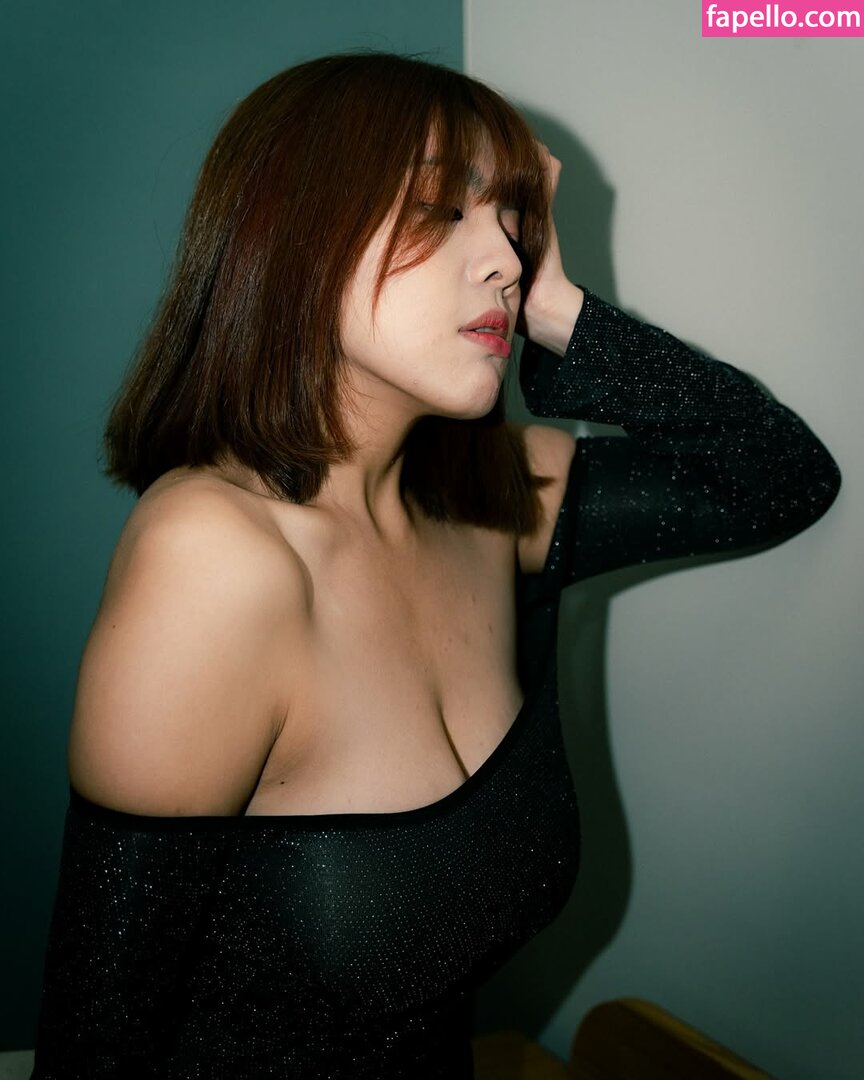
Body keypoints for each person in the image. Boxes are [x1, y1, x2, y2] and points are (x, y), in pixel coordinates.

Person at [30, 51, 840, 1079]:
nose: (504, 255)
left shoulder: (495, 498)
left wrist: (558, 307)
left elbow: (779, 475)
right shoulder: (215, 558)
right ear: (294, 233)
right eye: (438, 208)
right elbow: (97, 1049)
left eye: (512, 219)